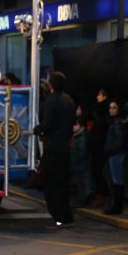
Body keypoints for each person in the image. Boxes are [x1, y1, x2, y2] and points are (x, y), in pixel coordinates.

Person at [32, 71, 76, 229]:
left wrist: (36, 129)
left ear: (51, 85)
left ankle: (58, 218)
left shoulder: (51, 101)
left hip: (52, 148)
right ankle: (66, 218)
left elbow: (46, 125)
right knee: (62, 185)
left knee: (50, 184)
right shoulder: (69, 100)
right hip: (65, 148)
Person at [103, 100, 128, 215]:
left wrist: (109, 149)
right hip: (118, 153)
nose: (111, 110)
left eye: (114, 108)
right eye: (110, 107)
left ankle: (117, 206)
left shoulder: (117, 122)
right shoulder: (121, 121)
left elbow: (119, 140)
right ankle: (117, 205)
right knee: (117, 180)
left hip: (115, 154)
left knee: (117, 181)